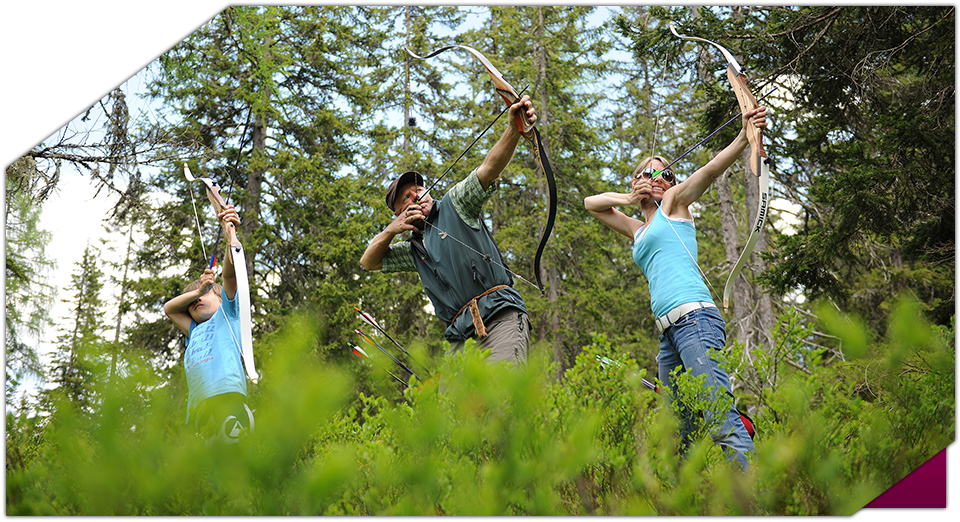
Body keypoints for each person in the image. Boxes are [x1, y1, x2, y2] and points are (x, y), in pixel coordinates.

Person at [583, 106, 768, 471]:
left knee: (717, 413)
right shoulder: (637, 229)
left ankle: (760, 496)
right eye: (647, 173)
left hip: (695, 320)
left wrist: (744, 136)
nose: (656, 177)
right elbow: (592, 204)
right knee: (678, 429)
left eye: (664, 173)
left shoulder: (674, 204)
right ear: (637, 180)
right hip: (668, 335)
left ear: (670, 182)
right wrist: (629, 198)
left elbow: (710, 171)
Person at [359, 96, 540, 367]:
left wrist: (514, 128)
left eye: (418, 190)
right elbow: (368, 262)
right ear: (399, 214)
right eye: (407, 198)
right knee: (453, 410)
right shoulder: (414, 249)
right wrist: (391, 232)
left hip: (501, 318)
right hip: (461, 341)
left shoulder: (456, 203)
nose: (417, 196)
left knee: (504, 399)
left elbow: (489, 167)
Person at [164, 204, 254, 446]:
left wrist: (229, 234)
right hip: (198, 411)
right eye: (192, 300)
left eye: (203, 296)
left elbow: (230, 276)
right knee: (206, 474)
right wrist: (200, 290)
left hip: (228, 398)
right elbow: (169, 309)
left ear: (220, 298)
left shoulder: (227, 313)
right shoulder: (193, 330)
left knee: (231, 461)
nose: (197, 300)